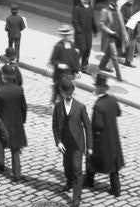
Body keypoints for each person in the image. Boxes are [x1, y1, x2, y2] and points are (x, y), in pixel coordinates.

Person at [52, 78, 90, 207]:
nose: (67, 95)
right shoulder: (57, 107)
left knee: (77, 169)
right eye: (65, 93)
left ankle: (76, 198)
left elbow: (88, 126)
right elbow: (55, 126)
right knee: (67, 166)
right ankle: (69, 182)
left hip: (77, 144)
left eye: (70, 93)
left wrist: (89, 146)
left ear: (72, 92)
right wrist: (58, 142)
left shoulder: (80, 107)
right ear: (61, 92)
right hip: (65, 143)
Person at [87, 73, 123, 197]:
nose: (95, 89)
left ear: (100, 89)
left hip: (101, 140)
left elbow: (97, 124)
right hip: (113, 139)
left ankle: (89, 181)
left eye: (96, 87)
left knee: (92, 160)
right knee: (113, 167)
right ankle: (116, 189)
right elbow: (118, 113)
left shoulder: (98, 105)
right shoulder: (112, 100)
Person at [0, 65, 26, 183]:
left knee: (0, 144)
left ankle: (0, 165)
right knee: (15, 149)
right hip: (16, 122)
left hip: (3, 122)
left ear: (4, 77)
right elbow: (23, 107)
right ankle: (17, 174)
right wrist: (23, 120)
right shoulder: (19, 90)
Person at [96, 0, 127, 82]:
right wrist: (110, 31)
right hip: (110, 36)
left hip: (118, 35)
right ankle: (119, 75)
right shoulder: (105, 11)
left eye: (115, 0)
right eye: (113, 1)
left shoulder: (118, 9)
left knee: (109, 53)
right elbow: (101, 24)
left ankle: (102, 66)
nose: (114, 2)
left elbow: (121, 22)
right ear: (109, 1)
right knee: (114, 55)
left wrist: (125, 34)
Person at [49, 25, 80, 105]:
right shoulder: (58, 46)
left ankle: (60, 104)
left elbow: (75, 59)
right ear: (62, 35)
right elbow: (53, 60)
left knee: (68, 92)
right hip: (60, 75)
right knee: (59, 91)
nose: (67, 37)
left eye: (68, 35)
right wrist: (59, 65)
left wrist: (78, 70)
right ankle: (56, 104)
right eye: (65, 35)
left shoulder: (72, 45)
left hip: (70, 74)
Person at [71, 0, 96, 74]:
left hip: (88, 35)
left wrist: (95, 30)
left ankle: (84, 67)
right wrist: (79, 31)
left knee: (87, 51)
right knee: (80, 51)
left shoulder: (90, 8)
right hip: (80, 35)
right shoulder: (77, 8)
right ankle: (75, 67)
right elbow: (74, 21)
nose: (86, 1)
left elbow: (93, 20)